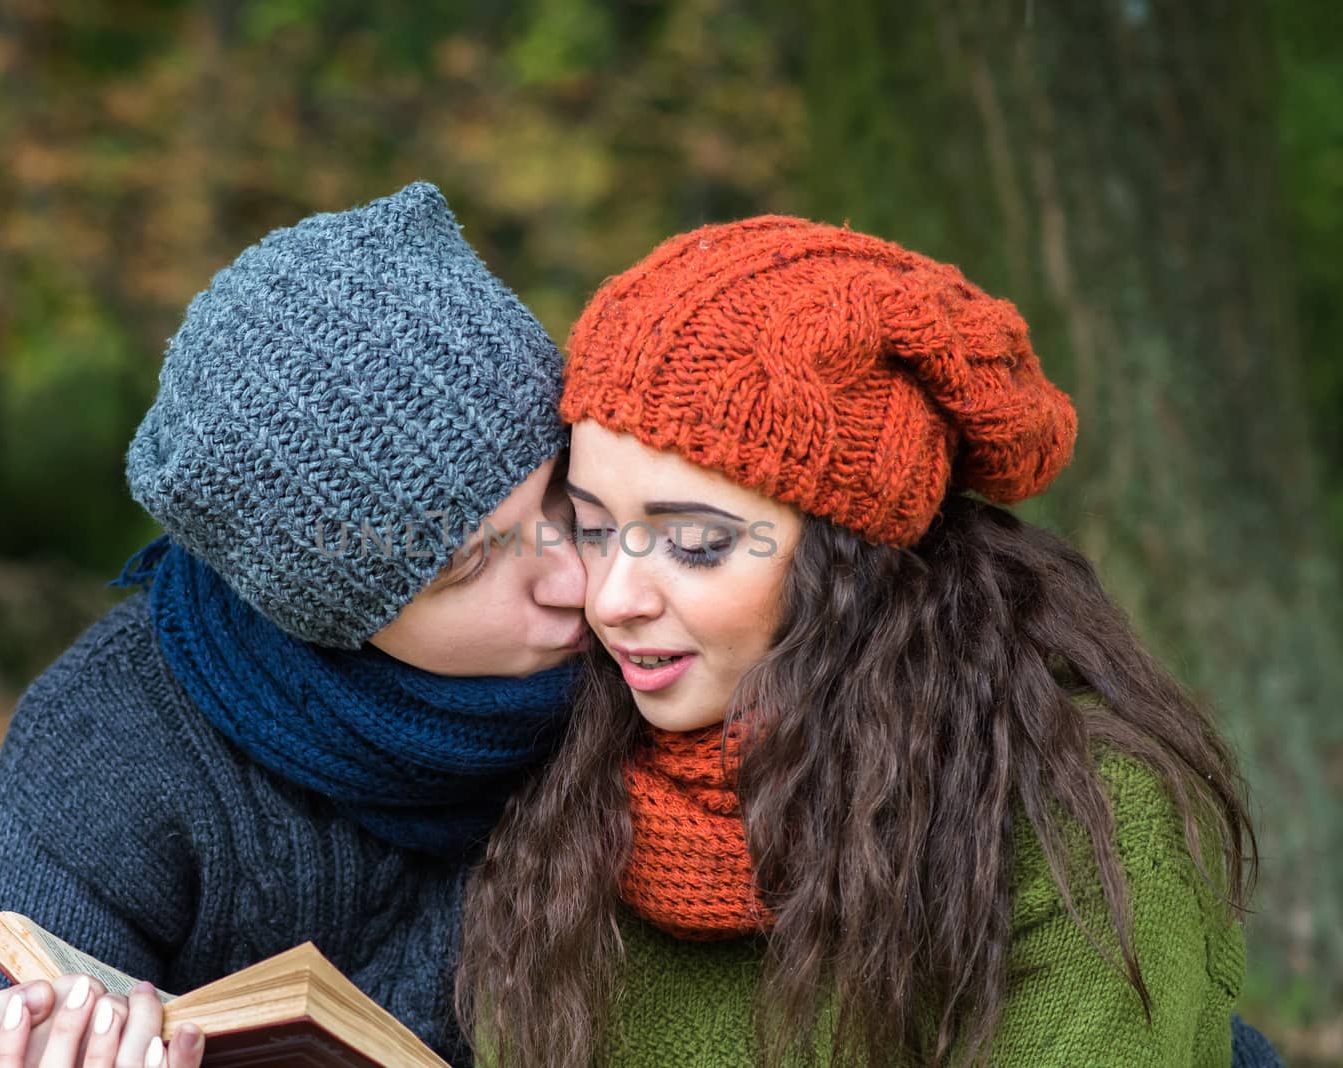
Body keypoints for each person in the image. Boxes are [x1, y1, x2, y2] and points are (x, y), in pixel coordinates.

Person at [457, 216, 1269, 1066]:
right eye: (590, 529)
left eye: (695, 544)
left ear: (853, 560)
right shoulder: (570, 786)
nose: (614, 600)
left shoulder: (1079, 822)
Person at [0, 182, 587, 1068]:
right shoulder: (111, 744)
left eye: (564, 492)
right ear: (328, 615)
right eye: (471, 562)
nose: (576, 577)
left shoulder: (668, 654)